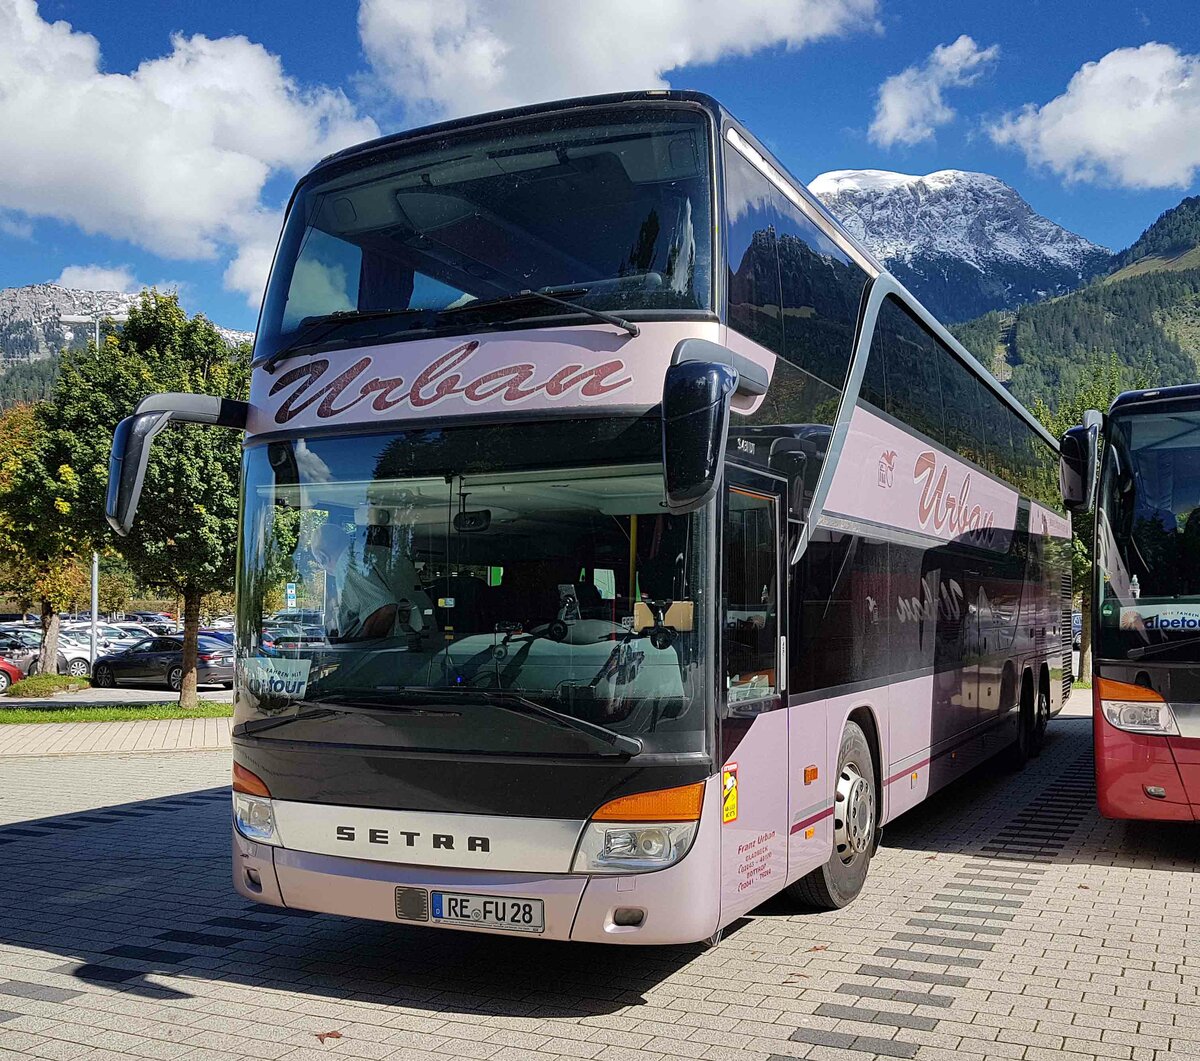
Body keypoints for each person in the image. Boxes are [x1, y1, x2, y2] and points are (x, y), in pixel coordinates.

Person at [311, 522, 433, 641]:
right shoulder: (382, 554)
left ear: (322, 557)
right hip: (421, 642)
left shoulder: (346, 564)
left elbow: (385, 610)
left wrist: (361, 654)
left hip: (393, 653)